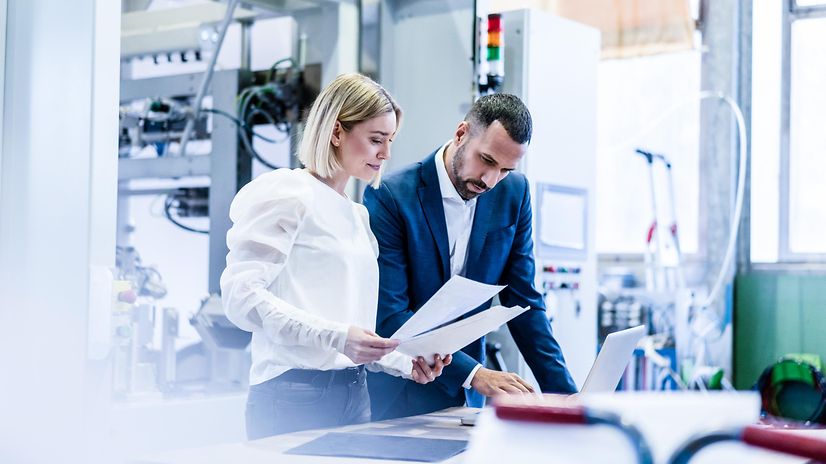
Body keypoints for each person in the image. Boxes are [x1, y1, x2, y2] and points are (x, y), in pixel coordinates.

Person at [221, 73, 451, 439]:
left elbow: (349, 332)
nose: (386, 154)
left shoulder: (357, 215)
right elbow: (241, 299)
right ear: (337, 132)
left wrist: (405, 363)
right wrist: (339, 338)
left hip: (353, 392)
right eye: (376, 139)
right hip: (293, 395)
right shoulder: (289, 193)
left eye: (390, 141)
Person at [363, 93, 577, 420]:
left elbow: (524, 303)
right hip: (400, 395)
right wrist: (476, 374)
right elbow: (391, 316)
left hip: (466, 403)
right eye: (487, 160)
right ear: (461, 134)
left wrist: (567, 398)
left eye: (505, 169)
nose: (490, 180)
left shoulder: (514, 193)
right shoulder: (391, 196)